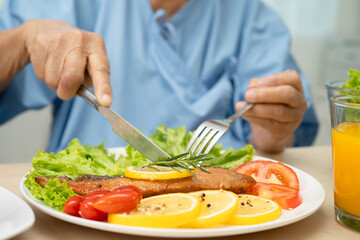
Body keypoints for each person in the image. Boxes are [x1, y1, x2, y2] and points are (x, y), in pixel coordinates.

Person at [0, 0, 318, 154]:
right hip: (81, 217)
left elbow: (277, 138)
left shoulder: (252, 19)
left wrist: (273, 134)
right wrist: (22, 40)